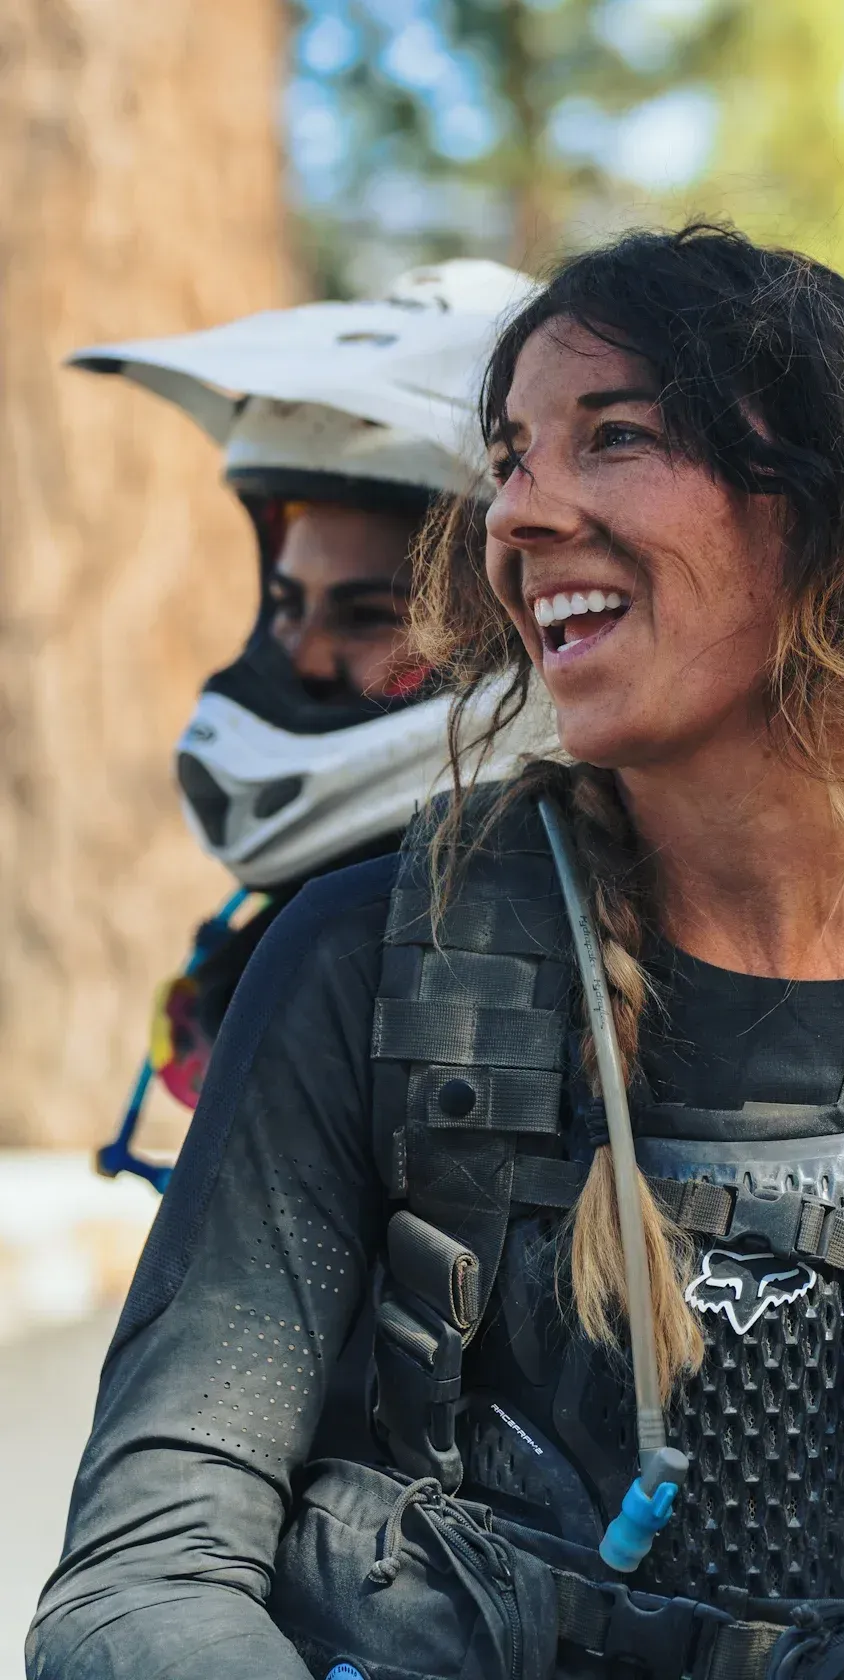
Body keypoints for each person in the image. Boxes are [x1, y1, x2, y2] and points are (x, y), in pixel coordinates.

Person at [30, 226, 844, 1680]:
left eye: (616, 438)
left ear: (837, 516)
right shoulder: (366, 960)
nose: (518, 513)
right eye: (513, 455)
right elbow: (147, 1569)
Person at [69, 261, 550, 1143]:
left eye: (368, 615)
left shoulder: (535, 940)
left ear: (514, 627)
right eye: (287, 608)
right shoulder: (319, 918)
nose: (303, 657)